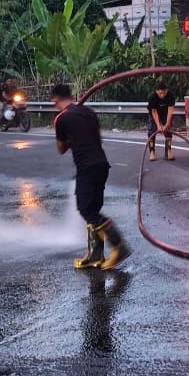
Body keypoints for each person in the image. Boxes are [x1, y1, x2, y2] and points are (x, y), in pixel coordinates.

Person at [52, 83, 130, 270]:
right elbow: (96, 139)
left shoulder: (61, 119)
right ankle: (95, 255)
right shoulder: (89, 113)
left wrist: (69, 137)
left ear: (55, 99)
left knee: (86, 209)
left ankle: (119, 247)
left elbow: (61, 149)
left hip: (87, 167)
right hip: (101, 165)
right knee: (93, 209)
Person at [146, 82, 176, 162]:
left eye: (164, 93)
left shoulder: (170, 95)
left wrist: (166, 124)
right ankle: (152, 152)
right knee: (152, 131)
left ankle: (168, 152)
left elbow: (170, 110)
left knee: (168, 130)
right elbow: (154, 112)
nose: (162, 95)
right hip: (154, 114)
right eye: (160, 93)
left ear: (166, 91)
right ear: (156, 91)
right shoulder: (152, 97)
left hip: (166, 113)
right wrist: (159, 126)